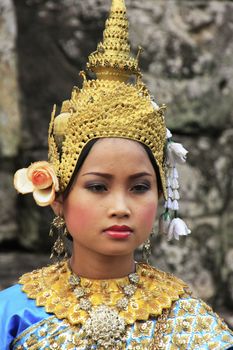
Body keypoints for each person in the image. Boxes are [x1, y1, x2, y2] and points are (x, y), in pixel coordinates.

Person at [0, 0, 233, 349]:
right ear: (58, 195)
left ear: (161, 196)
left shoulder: (191, 322)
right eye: (97, 186)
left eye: (139, 187)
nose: (120, 206)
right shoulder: (14, 314)